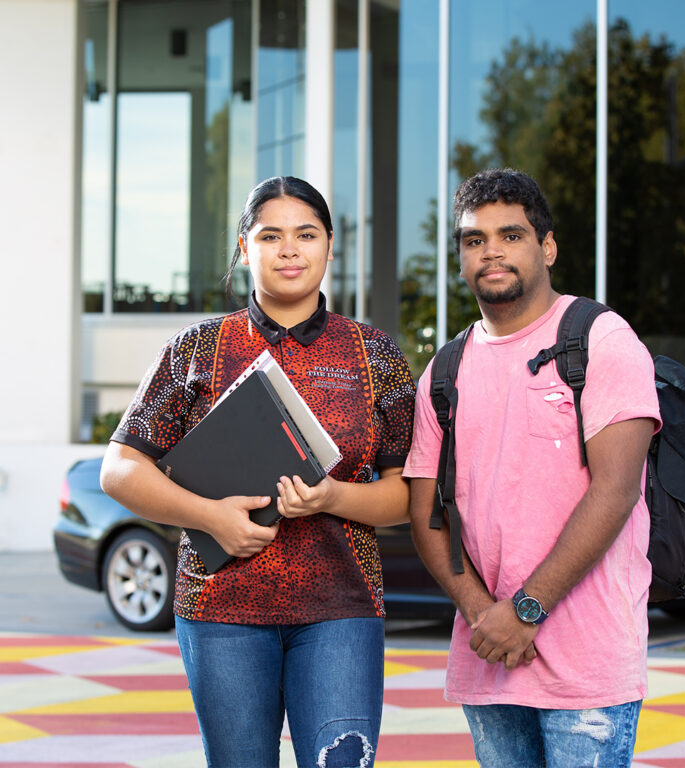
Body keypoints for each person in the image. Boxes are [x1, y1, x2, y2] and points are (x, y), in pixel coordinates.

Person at [100, 176, 416, 768]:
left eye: (306, 234)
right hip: (222, 611)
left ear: (329, 246)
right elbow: (118, 469)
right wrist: (209, 516)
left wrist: (331, 497)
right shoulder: (195, 349)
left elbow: (405, 497)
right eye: (271, 235)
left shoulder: (375, 353)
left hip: (342, 607)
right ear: (246, 248)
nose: (290, 249)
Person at [403, 168, 660, 767]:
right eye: (473, 240)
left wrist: (525, 612)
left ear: (546, 246)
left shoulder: (600, 339)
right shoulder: (444, 372)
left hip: (587, 664)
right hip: (489, 657)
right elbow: (426, 513)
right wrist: (480, 615)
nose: (490, 250)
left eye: (510, 235)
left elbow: (616, 492)